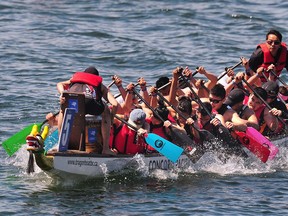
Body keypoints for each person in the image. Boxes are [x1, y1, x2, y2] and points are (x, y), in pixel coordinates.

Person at [57, 66, 124, 156]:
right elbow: (115, 104)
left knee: (62, 109)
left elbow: (59, 84)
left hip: (73, 100)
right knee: (106, 110)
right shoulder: (100, 85)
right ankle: (105, 149)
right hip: (89, 103)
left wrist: (62, 93)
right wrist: (111, 119)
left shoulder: (74, 80)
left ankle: (60, 142)